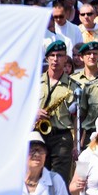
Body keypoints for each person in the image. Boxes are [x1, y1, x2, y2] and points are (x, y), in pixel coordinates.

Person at [37, 40, 81, 182]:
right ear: (47, 58)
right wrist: (35, 112)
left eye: (60, 56)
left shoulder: (74, 86)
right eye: (53, 55)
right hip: (37, 134)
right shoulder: (35, 83)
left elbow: (77, 117)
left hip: (61, 137)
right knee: (37, 175)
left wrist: (75, 144)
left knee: (58, 180)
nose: (56, 59)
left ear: (65, 58)